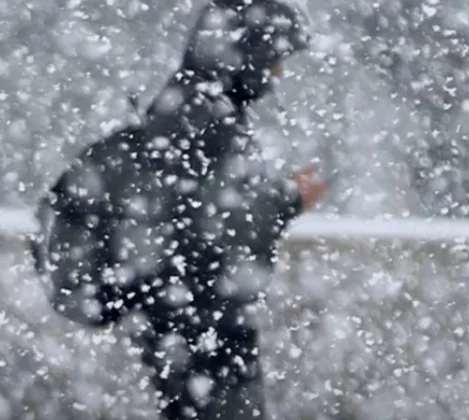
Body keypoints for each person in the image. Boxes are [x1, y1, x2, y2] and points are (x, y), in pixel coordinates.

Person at [29, 0, 328, 418]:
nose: (277, 75)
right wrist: (289, 199)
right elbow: (217, 226)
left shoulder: (190, 106)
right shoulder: (207, 118)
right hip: (200, 321)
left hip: (181, 317)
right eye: (274, 59)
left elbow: (195, 213)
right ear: (250, 55)